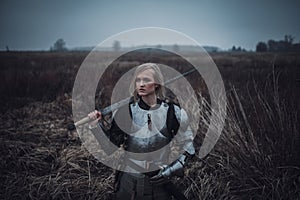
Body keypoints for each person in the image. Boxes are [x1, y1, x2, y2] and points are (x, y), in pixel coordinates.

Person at [88, 63, 195, 200]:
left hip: (160, 181)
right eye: (138, 80)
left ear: (157, 84)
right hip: (129, 181)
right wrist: (95, 126)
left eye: (146, 80)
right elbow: (110, 147)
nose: (141, 84)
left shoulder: (173, 112)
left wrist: (170, 171)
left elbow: (188, 147)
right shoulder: (125, 112)